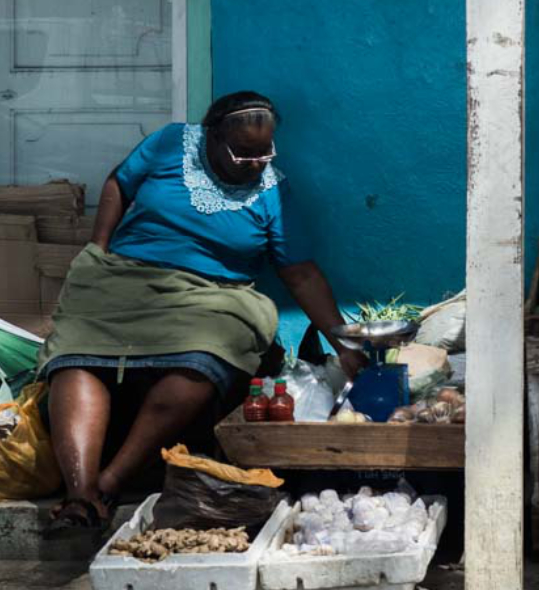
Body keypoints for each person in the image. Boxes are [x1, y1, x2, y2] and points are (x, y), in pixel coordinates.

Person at [40, 91, 365, 529]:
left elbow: (301, 274)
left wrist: (343, 343)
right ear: (212, 137)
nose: (256, 163)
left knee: (202, 360)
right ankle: (78, 495)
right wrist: (97, 248)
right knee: (78, 355)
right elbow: (120, 182)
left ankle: (110, 483)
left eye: (264, 152)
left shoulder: (272, 190)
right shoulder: (171, 143)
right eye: (244, 153)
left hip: (212, 295)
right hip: (125, 277)